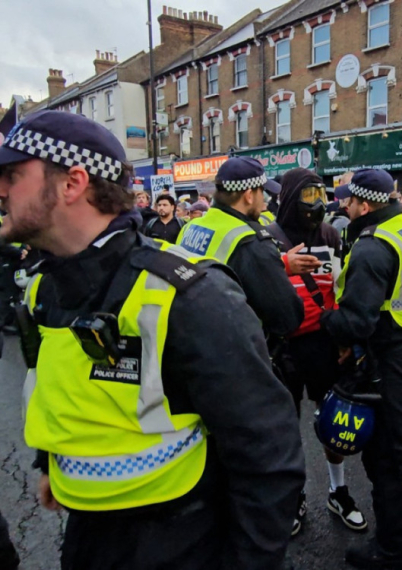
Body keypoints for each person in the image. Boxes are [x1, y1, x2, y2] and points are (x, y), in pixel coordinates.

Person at [0, 110, 305, 570]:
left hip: (175, 542)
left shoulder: (190, 295)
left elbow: (269, 455)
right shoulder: (45, 285)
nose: (1, 190)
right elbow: (61, 391)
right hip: (87, 531)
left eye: (11, 175)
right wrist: (55, 464)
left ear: (72, 183)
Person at [320, 169, 402, 570]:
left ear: (365, 205)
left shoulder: (373, 248)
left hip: (394, 361)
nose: (344, 206)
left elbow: (357, 322)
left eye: (349, 202)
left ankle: (393, 552)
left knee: (389, 459)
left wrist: (323, 320)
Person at [268, 168, 366, 537]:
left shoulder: (331, 235)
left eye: (320, 193)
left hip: (324, 343)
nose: (317, 202)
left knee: (335, 423)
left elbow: (341, 290)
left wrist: (345, 338)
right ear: (291, 196)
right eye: (308, 194)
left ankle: (338, 490)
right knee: (286, 428)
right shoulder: (268, 238)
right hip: (284, 347)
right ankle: (294, 496)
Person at [177, 156, 303, 338]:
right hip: (231, 349)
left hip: (189, 339)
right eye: (263, 193)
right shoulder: (250, 241)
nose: (264, 201)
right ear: (249, 195)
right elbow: (287, 316)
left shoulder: (190, 227)